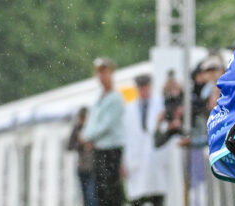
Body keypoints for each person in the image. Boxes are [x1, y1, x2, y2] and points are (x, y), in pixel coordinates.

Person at [80, 57, 124, 206]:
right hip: (99, 151)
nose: (102, 77)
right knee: (101, 193)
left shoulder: (115, 99)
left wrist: (87, 136)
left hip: (111, 150)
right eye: (100, 73)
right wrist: (88, 136)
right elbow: (92, 121)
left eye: (106, 72)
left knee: (111, 191)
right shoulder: (98, 99)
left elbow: (106, 125)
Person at [123, 75, 169, 206]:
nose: (143, 91)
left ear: (150, 87)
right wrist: (123, 162)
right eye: (141, 88)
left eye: (145, 87)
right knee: (136, 198)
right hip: (136, 161)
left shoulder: (160, 105)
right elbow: (126, 138)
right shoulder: (129, 109)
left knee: (157, 197)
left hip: (156, 160)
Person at [67, 107, 96, 206]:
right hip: (82, 167)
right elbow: (69, 146)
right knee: (85, 197)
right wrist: (80, 144)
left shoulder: (93, 128)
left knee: (91, 195)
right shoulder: (77, 128)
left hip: (92, 167)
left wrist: (91, 145)